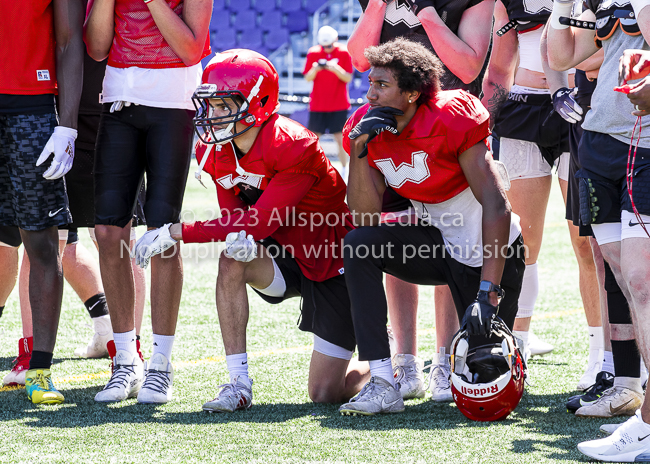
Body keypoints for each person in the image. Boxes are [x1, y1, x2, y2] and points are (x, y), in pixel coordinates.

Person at [133, 50, 369, 411]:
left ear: (257, 103)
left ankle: (386, 366)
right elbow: (237, 222)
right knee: (232, 259)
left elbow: (259, 221)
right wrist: (237, 240)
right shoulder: (217, 152)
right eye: (209, 106)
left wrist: (175, 232)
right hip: (281, 255)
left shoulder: (293, 144)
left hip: (330, 261)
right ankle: (238, 383)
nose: (211, 116)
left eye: (222, 106)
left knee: (324, 394)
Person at [338, 37, 525, 416]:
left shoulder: (450, 115)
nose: (370, 94)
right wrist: (360, 151)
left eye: (381, 85)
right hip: (437, 244)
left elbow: (497, 205)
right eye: (370, 83)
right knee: (360, 244)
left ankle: (464, 357)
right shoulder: (365, 126)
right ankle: (383, 380)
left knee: (485, 375)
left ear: (410, 93)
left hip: (487, 250)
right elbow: (363, 218)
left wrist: (488, 293)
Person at [85, 0, 212, 404]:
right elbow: (97, 47)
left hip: (174, 102)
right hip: (119, 98)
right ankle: (125, 359)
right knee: (107, 231)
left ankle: (160, 365)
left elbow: (191, 49)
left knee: (161, 233)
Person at [483, 0, 605, 389]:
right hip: (521, 107)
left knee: (588, 241)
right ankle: (517, 343)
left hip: (580, 102)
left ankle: (601, 355)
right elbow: (501, 60)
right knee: (524, 238)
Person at [548, 0, 650, 460]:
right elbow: (563, 56)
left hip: (644, 146)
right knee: (625, 280)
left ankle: (646, 422)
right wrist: (563, 7)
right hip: (600, 140)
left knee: (642, 281)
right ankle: (639, 409)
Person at [0, 0, 85, 404]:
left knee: (41, 244)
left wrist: (67, 126)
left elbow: (69, 41)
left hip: (31, 108)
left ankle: (40, 369)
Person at [303, 26, 353, 180]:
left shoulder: (344, 52)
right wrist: (316, 69)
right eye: (325, 46)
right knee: (312, 140)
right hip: (318, 105)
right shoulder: (313, 53)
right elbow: (307, 78)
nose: (327, 49)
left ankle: (345, 171)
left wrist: (335, 68)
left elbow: (348, 78)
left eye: (329, 45)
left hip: (339, 105)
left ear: (335, 41)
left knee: (341, 140)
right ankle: (309, 170)